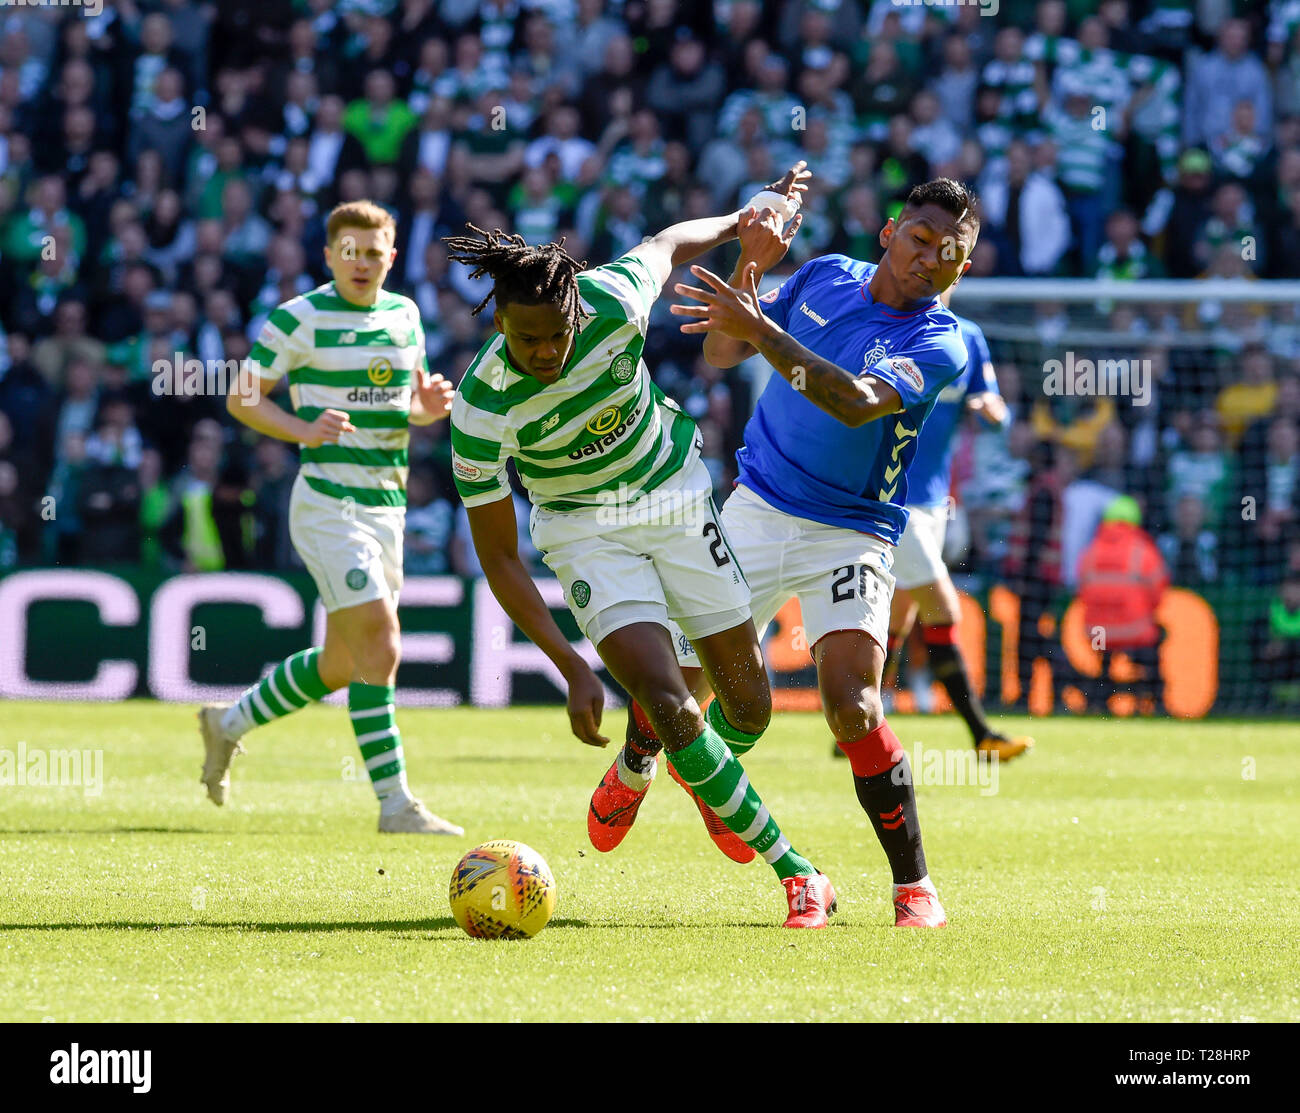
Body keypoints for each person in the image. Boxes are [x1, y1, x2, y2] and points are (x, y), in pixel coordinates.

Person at [447, 163, 839, 928]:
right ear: (498, 325)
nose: (545, 353)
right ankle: (799, 873)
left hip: (676, 498)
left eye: (556, 335)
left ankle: (641, 763)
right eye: (527, 340)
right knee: (665, 697)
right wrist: (569, 667)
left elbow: (666, 242)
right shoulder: (480, 407)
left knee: (749, 710)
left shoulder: (611, 297)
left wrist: (744, 218)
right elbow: (498, 558)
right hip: (585, 531)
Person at [590, 178, 985, 929]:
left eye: (950, 254)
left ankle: (914, 888)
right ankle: (638, 764)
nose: (930, 259)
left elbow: (856, 401)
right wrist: (749, 262)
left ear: (961, 271)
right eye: (921, 239)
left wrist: (765, 328)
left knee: (854, 705)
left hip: (855, 527)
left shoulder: (939, 340)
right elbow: (719, 346)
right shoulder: (825, 274)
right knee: (683, 682)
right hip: (759, 507)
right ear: (890, 231)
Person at [198, 200, 464, 835]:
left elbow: (409, 407)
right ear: (328, 255)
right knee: (383, 642)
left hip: (387, 509)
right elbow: (242, 396)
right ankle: (396, 805)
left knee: (344, 664)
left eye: (374, 252)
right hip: (328, 505)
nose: (362, 263)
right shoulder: (299, 318)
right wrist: (302, 430)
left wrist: (426, 407)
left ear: (391, 257)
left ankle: (226, 723)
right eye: (350, 251)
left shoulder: (406, 315)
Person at [875, 285, 1034, 758]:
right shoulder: (891, 327)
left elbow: (995, 408)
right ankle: (981, 734)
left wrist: (993, 412)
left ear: (959, 273)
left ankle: (859, 723)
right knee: (944, 608)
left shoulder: (968, 337)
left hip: (935, 502)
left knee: (898, 620)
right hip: (892, 497)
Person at [1076, 495, 1169, 714]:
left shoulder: (1090, 551)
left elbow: (1082, 591)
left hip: (1098, 635)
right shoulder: (1142, 549)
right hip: (1135, 632)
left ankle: (1099, 698)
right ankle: (1156, 702)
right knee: (1155, 647)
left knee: (1104, 659)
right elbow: (1158, 590)